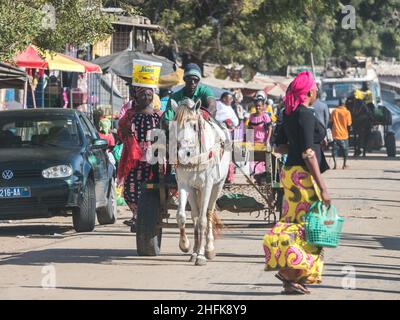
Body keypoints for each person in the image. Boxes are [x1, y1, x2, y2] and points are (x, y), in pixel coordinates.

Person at [264, 71, 331, 295]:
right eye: (315, 89)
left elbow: (279, 146)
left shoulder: (289, 113)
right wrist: (322, 187)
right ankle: (288, 273)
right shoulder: (306, 114)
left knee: (294, 223)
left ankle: (292, 276)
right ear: (310, 91)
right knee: (307, 226)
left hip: (289, 172)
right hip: (303, 175)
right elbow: (309, 153)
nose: (317, 92)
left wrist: (297, 145)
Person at [117, 86, 160, 231]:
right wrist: (126, 130)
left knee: (151, 188)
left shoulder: (157, 116)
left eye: (149, 95)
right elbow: (121, 132)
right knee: (130, 188)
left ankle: (147, 215)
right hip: (133, 158)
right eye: (143, 95)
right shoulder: (129, 115)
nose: (147, 98)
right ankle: (136, 215)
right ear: (136, 97)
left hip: (152, 160)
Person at [161, 63, 216, 128]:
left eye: (196, 80)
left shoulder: (205, 91)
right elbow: (167, 118)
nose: (193, 82)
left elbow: (213, 106)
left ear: (199, 81)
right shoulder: (174, 97)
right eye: (190, 79)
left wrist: (201, 115)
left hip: (203, 125)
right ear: (184, 79)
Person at [216, 92, 239, 183]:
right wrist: (224, 120)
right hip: (216, 130)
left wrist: (228, 122)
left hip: (226, 133)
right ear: (224, 98)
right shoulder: (218, 105)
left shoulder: (229, 108)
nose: (232, 100)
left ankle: (228, 175)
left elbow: (235, 122)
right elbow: (217, 117)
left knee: (227, 153)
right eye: (230, 99)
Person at [247, 97, 272, 182]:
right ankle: (253, 175)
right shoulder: (251, 116)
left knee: (262, 160)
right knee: (252, 159)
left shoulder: (265, 116)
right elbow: (249, 129)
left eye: (260, 106)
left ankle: (262, 177)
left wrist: (267, 141)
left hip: (263, 141)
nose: (258, 108)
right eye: (257, 106)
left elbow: (270, 129)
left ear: (263, 106)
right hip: (253, 141)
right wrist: (249, 141)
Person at [331, 100, 352, 169]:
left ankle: (335, 164)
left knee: (334, 150)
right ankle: (344, 164)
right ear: (345, 104)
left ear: (339, 104)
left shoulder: (334, 111)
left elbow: (331, 122)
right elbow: (349, 124)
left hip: (335, 133)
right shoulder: (347, 112)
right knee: (345, 150)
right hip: (344, 134)